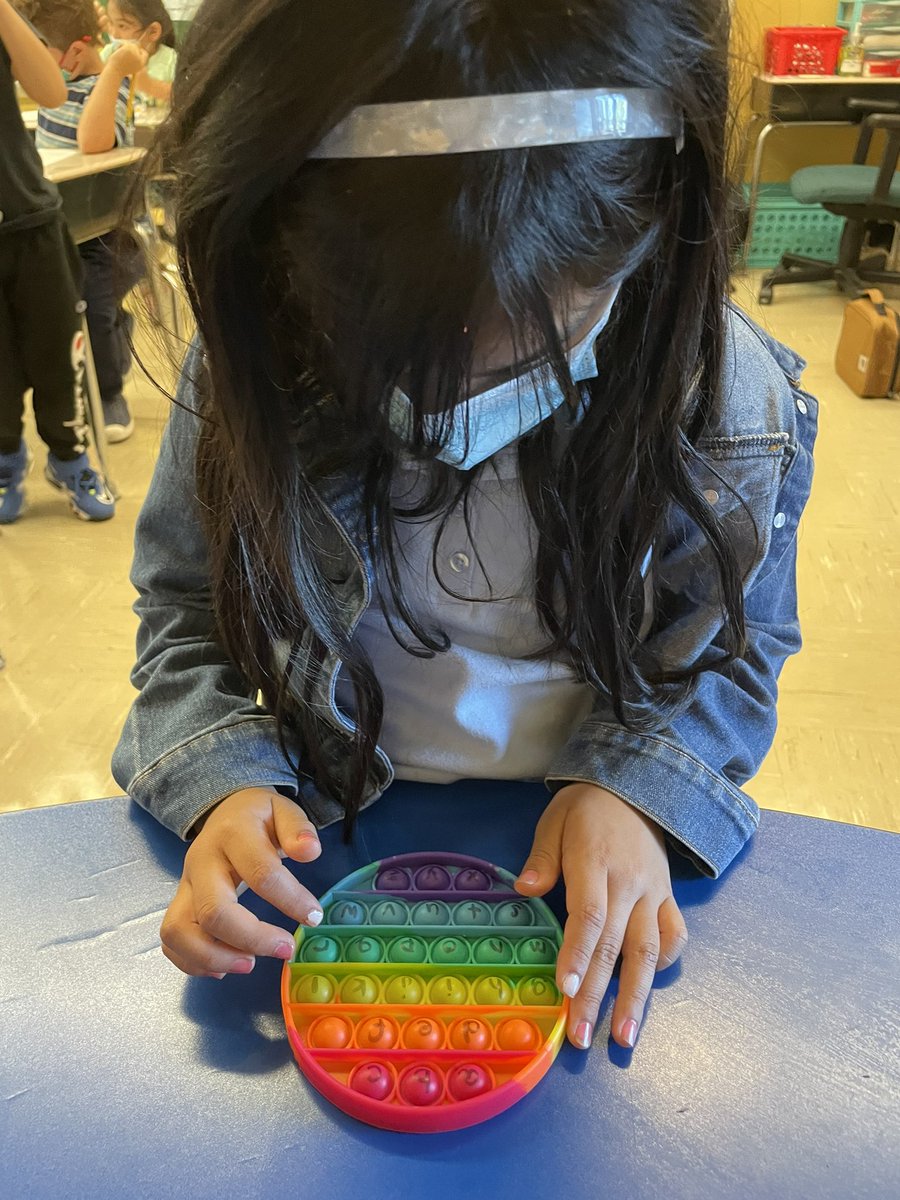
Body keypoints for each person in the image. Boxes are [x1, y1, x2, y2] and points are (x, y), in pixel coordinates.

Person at [112, 0, 818, 1054]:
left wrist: (633, 792)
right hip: (340, 832)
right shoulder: (253, 366)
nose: (456, 411)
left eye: (541, 337)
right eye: (392, 354)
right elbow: (184, 614)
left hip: (572, 847)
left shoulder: (720, 399)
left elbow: (732, 658)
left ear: (653, 220)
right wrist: (224, 784)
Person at [0, 0, 113, 522]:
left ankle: (70, 462)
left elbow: (50, 92)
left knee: (59, 358)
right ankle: (5, 466)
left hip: (32, 222)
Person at [25, 0, 146, 443]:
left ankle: (110, 392)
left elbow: (94, 142)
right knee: (58, 312)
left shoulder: (109, 84)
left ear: (75, 52)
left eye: (44, 56)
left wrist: (113, 72)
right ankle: (112, 338)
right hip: (60, 226)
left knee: (95, 309)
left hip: (105, 231)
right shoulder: (49, 87)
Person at [98, 0, 176, 107]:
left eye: (122, 26)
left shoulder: (171, 61)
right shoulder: (109, 53)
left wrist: (148, 85)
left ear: (153, 31)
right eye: (111, 23)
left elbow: (184, 98)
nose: (114, 35)